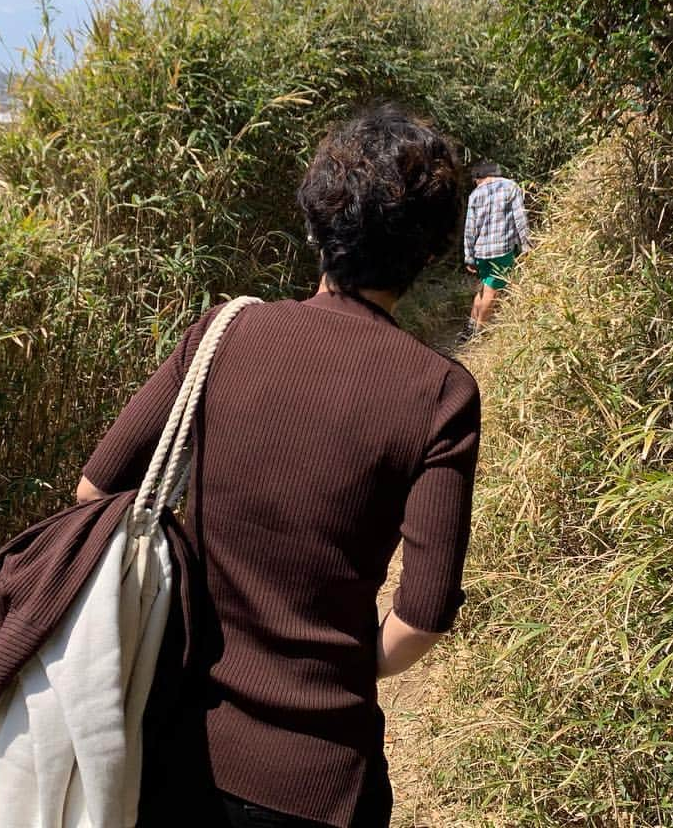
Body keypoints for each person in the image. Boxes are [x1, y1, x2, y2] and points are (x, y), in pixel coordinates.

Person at [76, 105, 481, 828]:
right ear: (427, 256)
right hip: (321, 780)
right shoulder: (440, 393)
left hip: (176, 748)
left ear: (316, 227)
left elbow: (95, 488)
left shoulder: (227, 332)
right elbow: (421, 617)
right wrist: (352, 665)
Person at [462, 160, 531, 331]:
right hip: (501, 250)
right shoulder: (511, 187)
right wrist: (527, 245)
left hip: (480, 252)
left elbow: (470, 228)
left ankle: (470, 329)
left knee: (483, 290)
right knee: (491, 293)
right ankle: (478, 333)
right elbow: (520, 218)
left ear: (480, 177)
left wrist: (469, 257)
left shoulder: (475, 194)